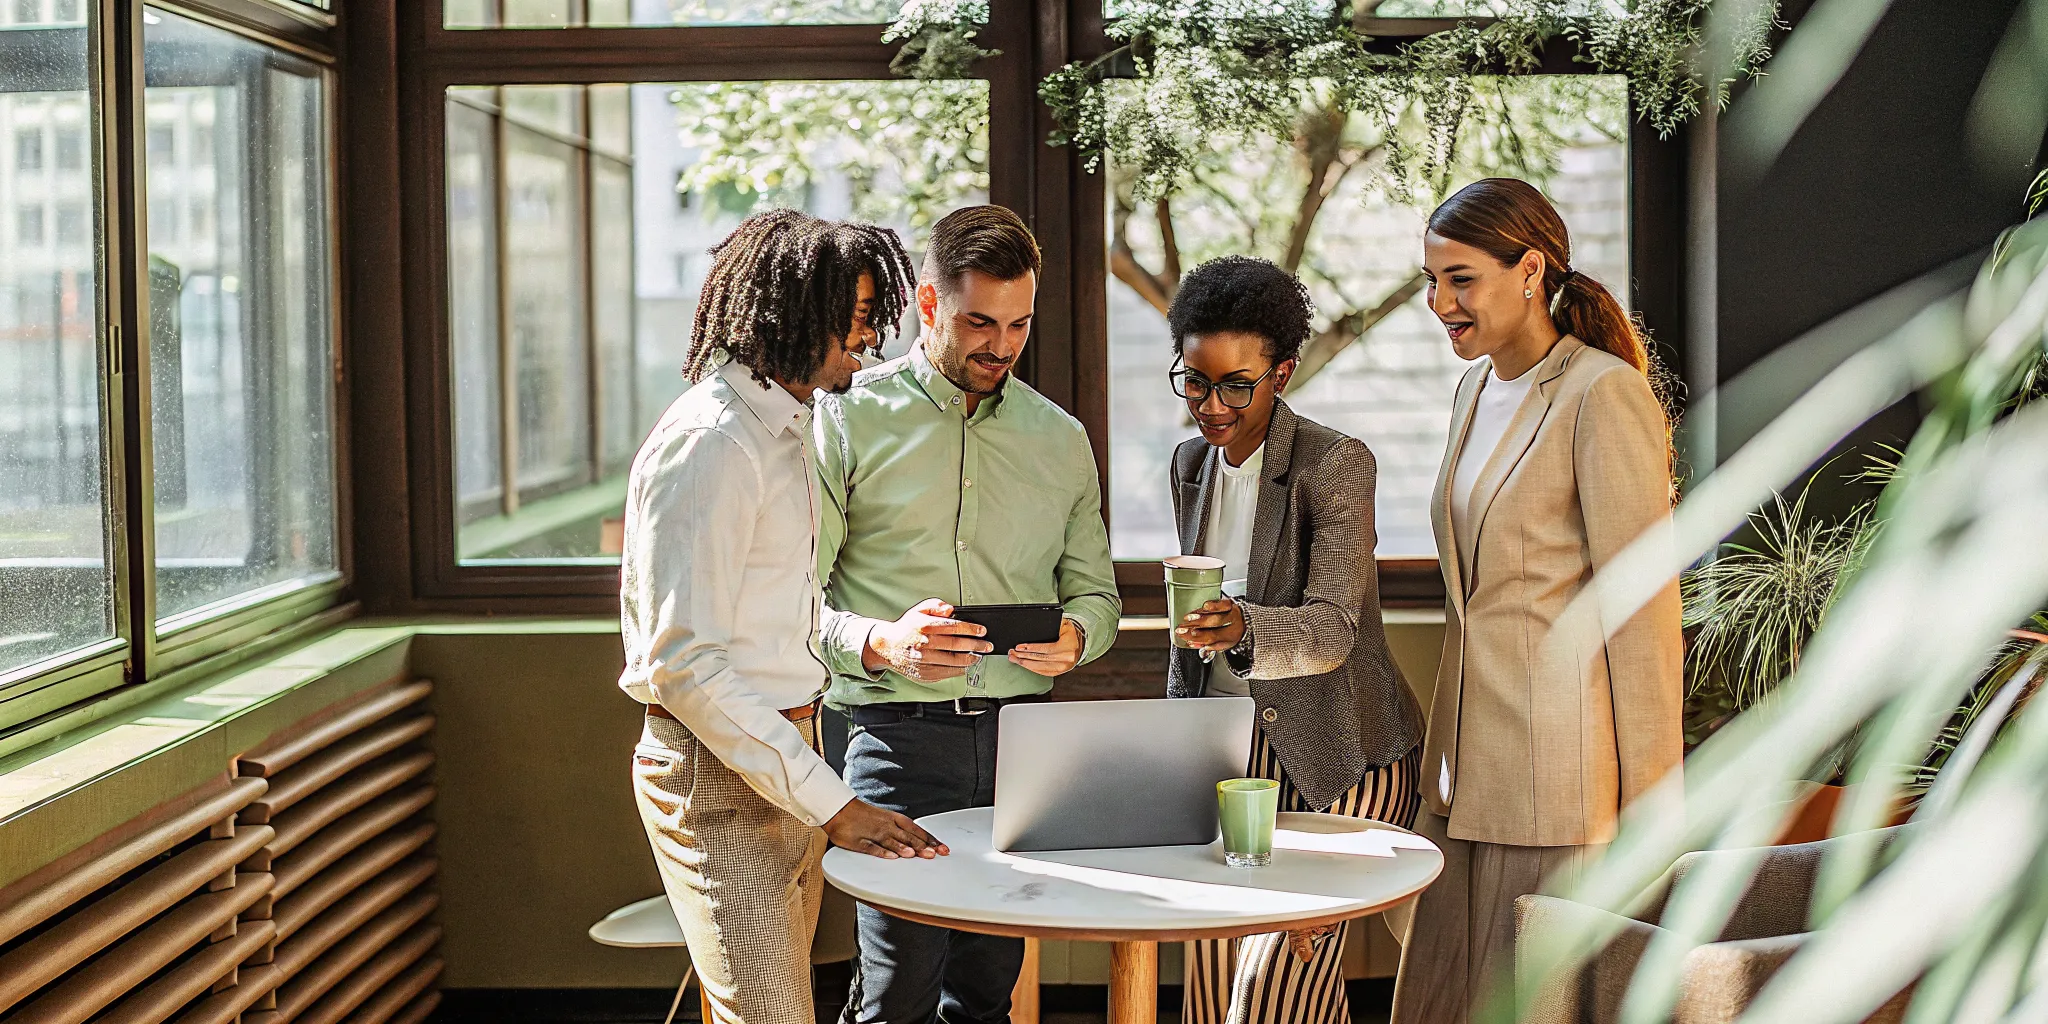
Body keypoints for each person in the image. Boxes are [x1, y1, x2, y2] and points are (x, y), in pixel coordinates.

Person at [618, 209, 950, 1024]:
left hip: (791, 749)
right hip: (717, 772)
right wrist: (834, 804)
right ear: (797, 311)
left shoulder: (786, 430)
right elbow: (683, 665)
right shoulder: (713, 442)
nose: (871, 342)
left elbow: (784, 621)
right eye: (860, 321)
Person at [814, 204, 1123, 1024]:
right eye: (979, 321)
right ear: (927, 304)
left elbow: (1097, 594)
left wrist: (1078, 635)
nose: (1002, 345)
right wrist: (881, 642)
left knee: (987, 995)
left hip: (1023, 744)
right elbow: (789, 608)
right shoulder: (843, 416)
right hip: (892, 739)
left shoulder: (1060, 439)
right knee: (896, 993)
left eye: (1019, 323)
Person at [1389, 178, 1683, 1024]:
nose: (1441, 302)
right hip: (1462, 767)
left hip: (1559, 777)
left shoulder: (1601, 393)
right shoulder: (1473, 391)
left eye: (1461, 279)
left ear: (1529, 270)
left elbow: (1641, 611)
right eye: (1430, 281)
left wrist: (1655, 804)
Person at [1163, 256, 1425, 1024]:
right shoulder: (1189, 465)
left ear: (1282, 372)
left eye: (1236, 385)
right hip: (1226, 759)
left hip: (1337, 756)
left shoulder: (1334, 464)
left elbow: (1334, 630)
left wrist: (1243, 624)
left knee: (1273, 994)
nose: (1212, 406)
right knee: (1211, 994)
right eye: (1194, 381)